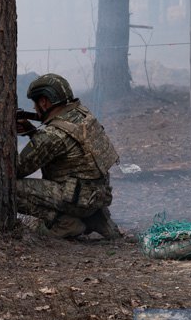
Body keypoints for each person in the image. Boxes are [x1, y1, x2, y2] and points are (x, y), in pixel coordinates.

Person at [14, 73, 122, 239]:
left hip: (77, 200)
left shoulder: (52, 135)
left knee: (9, 189)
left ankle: (65, 222)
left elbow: (17, 169)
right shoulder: (82, 114)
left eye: (35, 103)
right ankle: (96, 219)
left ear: (44, 102)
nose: (34, 109)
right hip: (98, 196)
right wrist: (32, 132)